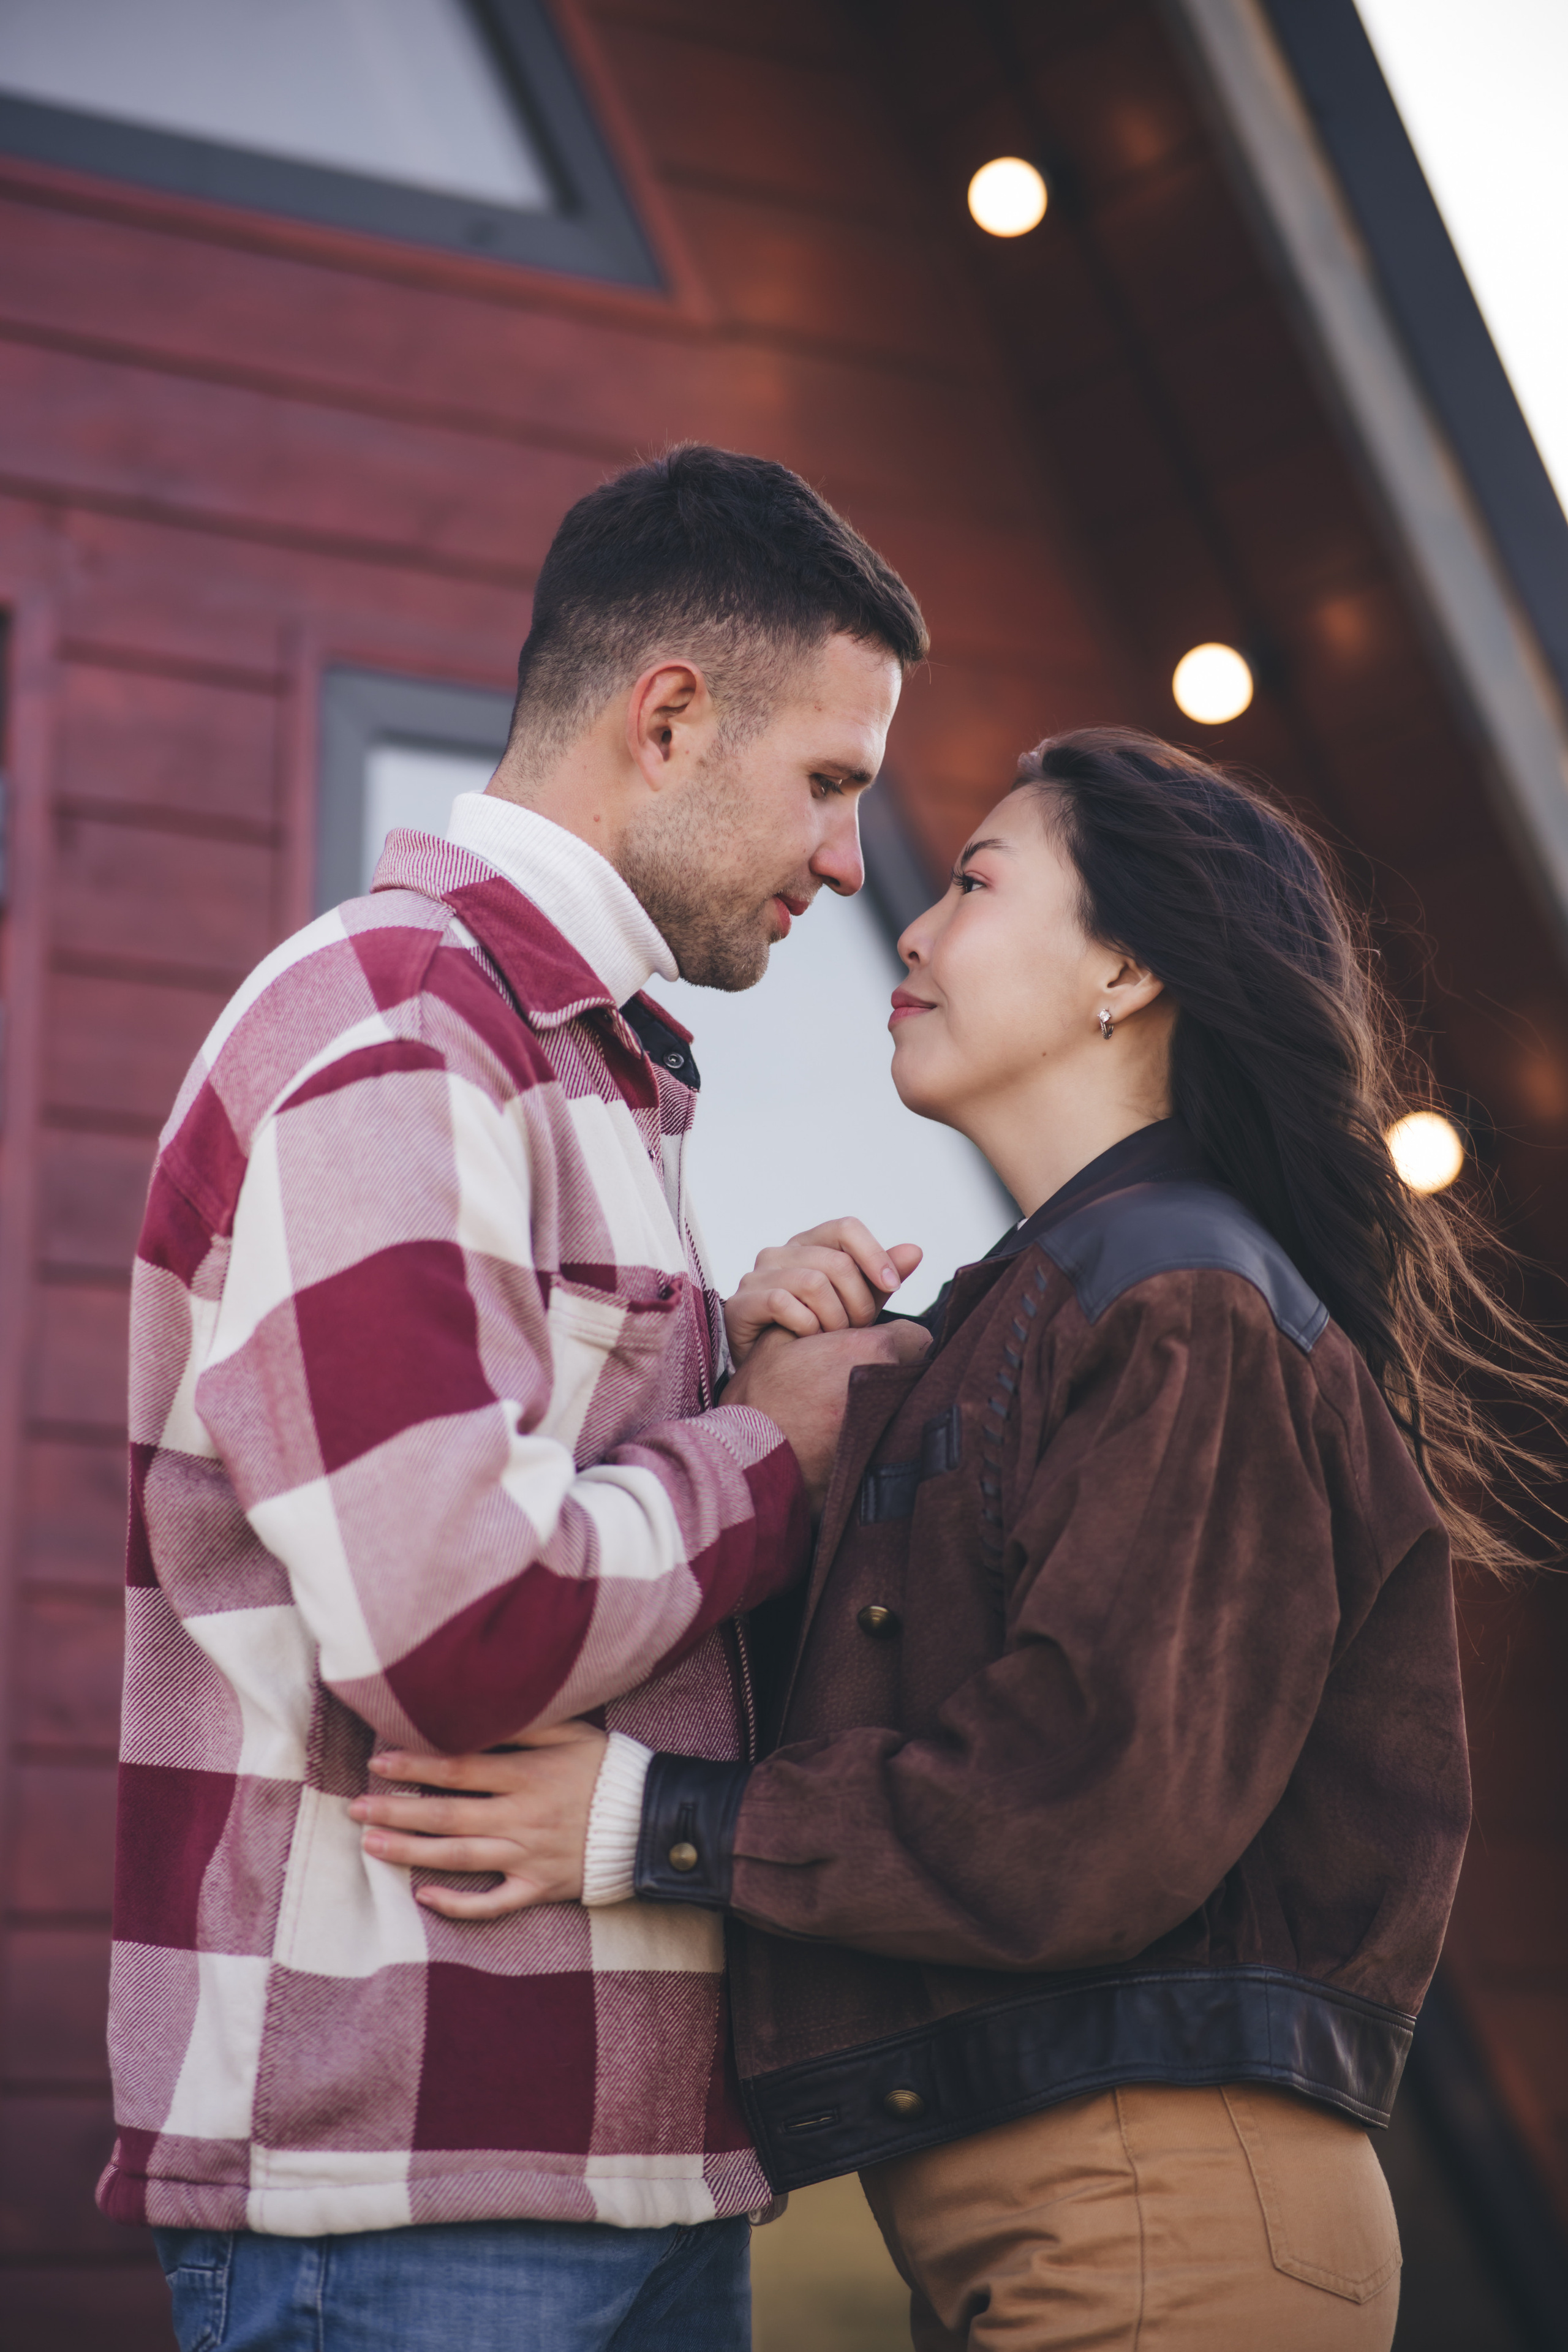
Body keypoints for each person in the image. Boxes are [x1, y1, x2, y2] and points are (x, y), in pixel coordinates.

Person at [366, 730, 1567, 2349]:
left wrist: (642, 1825)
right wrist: (751, 1381)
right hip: (1072, 2217)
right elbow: (878, 1717)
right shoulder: (1047, 1312)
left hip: (1160, 2215)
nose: (909, 923)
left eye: (979, 882)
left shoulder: (1188, 1306)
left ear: (1128, 967)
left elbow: (1088, 1801)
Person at [99, 443, 934, 2352]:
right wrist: (780, 1442)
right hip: (401, 2195)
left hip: (610, 2176)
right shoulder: (403, 1031)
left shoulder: (577, 1063)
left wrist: (728, 1346)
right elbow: (451, 1622)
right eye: (829, 784)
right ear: (667, 718)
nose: (841, 861)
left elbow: (527, 1476)